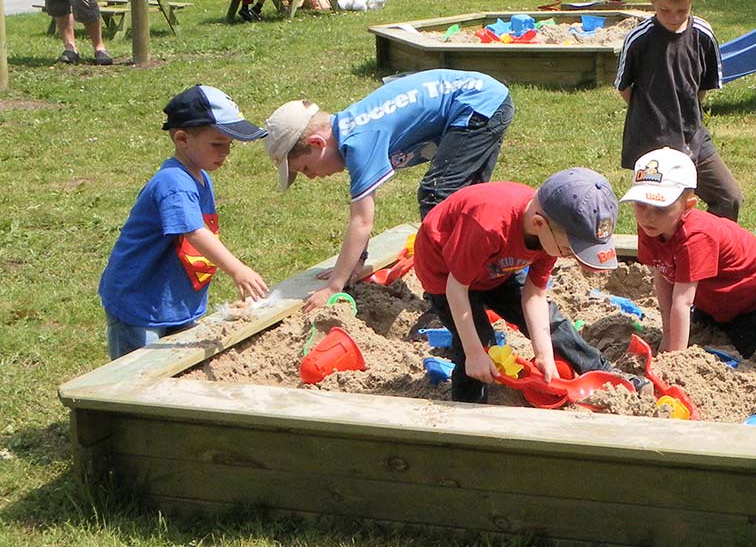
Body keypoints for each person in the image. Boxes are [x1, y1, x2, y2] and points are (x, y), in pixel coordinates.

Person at [263, 69, 514, 313]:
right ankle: (478, 281)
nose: (312, 177)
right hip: (486, 100)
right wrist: (355, 262)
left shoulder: (359, 140)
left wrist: (333, 287)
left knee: (437, 197)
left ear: (317, 143)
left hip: (475, 104)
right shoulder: (351, 128)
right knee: (469, 205)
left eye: (306, 168)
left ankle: (447, 296)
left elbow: (362, 220)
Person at [413, 168, 619, 403]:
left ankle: (605, 376)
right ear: (538, 223)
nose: (570, 256)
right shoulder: (489, 225)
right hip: (446, 272)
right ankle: (468, 410)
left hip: (497, 268)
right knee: (481, 343)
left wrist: (543, 353)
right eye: (569, 250)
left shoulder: (550, 229)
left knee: (551, 322)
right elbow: (456, 288)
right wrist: (474, 353)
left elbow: (535, 296)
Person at [99, 86, 271, 359]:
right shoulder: (174, 183)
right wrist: (237, 269)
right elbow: (194, 232)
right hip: (140, 302)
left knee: (173, 367)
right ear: (182, 138)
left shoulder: (200, 177)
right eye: (217, 143)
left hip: (174, 300)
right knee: (135, 376)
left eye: (229, 144)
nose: (225, 152)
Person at [615, 0, 743, 223]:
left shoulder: (703, 34)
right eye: (665, 11)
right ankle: (660, 259)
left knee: (729, 197)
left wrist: (687, 118)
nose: (674, 18)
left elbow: (703, 87)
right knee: (659, 210)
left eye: (682, 11)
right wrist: (653, 116)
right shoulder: (639, 40)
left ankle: (712, 247)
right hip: (651, 139)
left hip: (693, 136)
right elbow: (624, 87)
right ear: (651, 0)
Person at [620, 148, 756, 358]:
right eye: (641, 204)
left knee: (750, 344)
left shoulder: (696, 237)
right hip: (712, 289)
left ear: (688, 206)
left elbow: (683, 301)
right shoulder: (651, 227)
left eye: (660, 208)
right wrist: (667, 334)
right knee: (702, 326)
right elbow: (662, 274)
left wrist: (675, 359)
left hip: (751, 288)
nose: (648, 217)